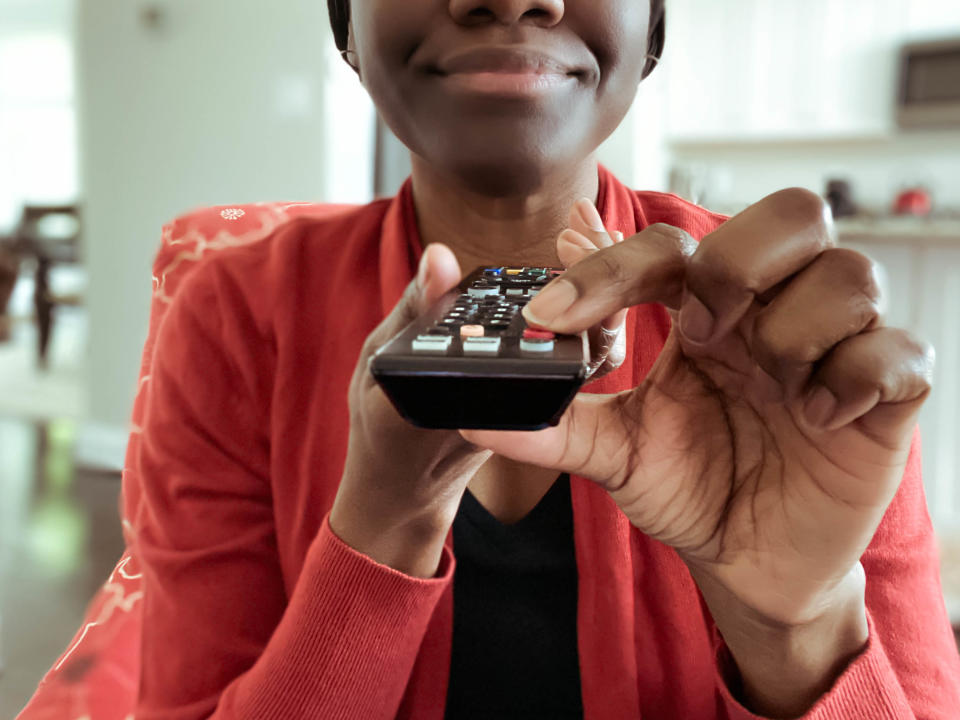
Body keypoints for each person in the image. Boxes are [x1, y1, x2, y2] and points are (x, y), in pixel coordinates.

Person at [67, 1, 960, 718]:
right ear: (346, 21)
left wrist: (796, 633)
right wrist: (382, 526)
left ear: (652, 24)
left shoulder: (774, 330)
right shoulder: (231, 313)